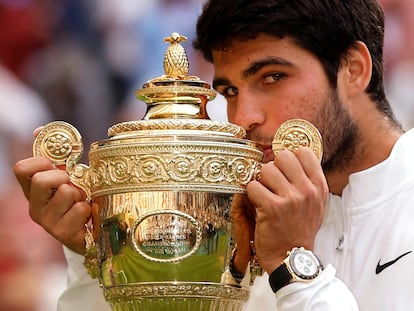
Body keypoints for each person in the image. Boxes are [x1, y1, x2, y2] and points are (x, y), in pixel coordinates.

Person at [13, 0, 414, 310]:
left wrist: (294, 268)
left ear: (353, 69)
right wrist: (98, 260)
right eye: (230, 92)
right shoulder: (240, 217)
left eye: (273, 77)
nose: (244, 118)